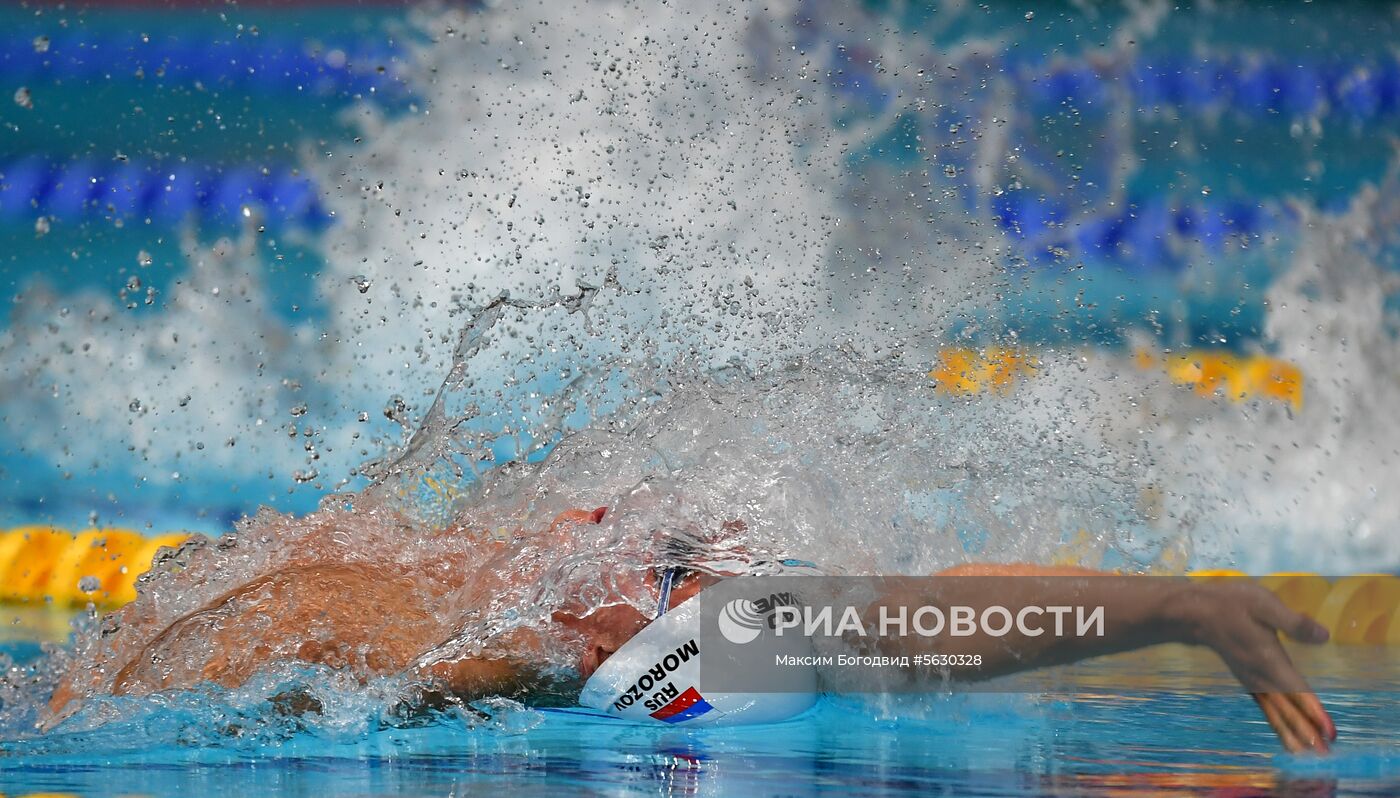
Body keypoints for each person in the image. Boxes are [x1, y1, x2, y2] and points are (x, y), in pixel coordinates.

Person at [44, 507, 1335, 753]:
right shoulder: (455, 625)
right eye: (679, 558)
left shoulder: (517, 644)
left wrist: (1187, 604)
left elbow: (937, 614)